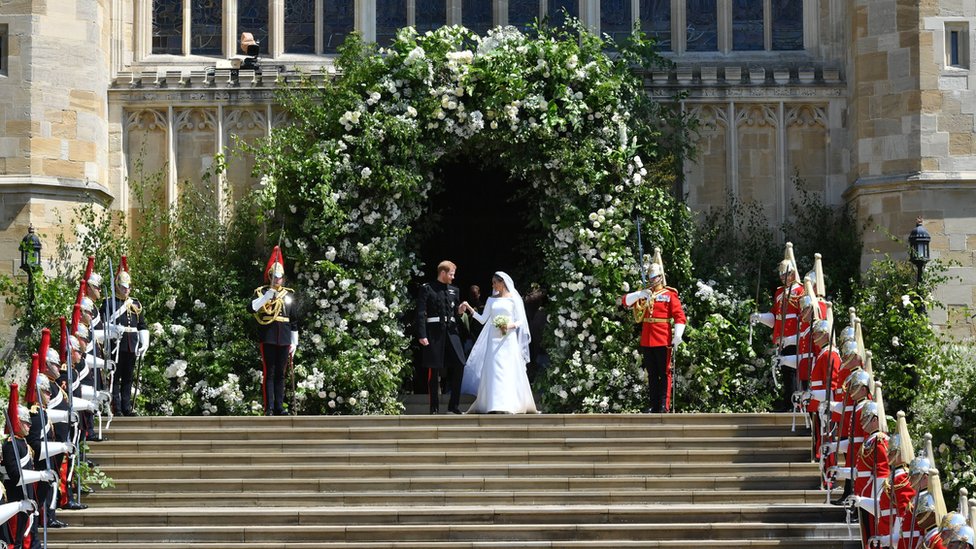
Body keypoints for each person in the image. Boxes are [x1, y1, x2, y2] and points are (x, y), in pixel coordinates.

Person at [460, 272, 538, 414]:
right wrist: (470, 309)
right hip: (493, 338)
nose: (493, 285)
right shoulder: (491, 300)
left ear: (502, 282)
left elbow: (521, 320)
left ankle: (510, 403)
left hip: (508, 338)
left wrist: (509, 326)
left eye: (495, 282)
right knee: (494, 369)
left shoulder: (514, 299)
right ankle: (494, 403)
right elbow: (483, 319)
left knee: (509, 368)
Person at [620, 249, 686, 413]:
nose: (652, 280)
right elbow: (625, 302)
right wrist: (639, 293)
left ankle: (664, 405)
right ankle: (654, 404)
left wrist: (678, 334)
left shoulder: (670, 295)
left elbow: (679, 316)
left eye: (654, 277)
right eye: (650, 277)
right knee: (651, 374)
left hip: (663, 338)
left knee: (664, 373)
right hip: (647, 339)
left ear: (661, 277)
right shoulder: (645, 293)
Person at [751, 242, 805, 412]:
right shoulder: (779, 292)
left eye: (786, 275)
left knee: (794, 370)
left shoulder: (801, 291)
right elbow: (775, 317)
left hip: (795, 336)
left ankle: (795, 403)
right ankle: (789, 402)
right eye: (781, 276)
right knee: (786, 371)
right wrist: (760, 317)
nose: (783, 278)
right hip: (782, 337)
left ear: (793, 273)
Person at [250, 246, 299, 416]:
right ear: (270, 276)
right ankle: (269, 407)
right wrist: (266, 296)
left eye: (280, 277)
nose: (278, 280)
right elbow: (252, 308)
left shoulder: (288, 295)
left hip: (284, 337)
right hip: (269, 335)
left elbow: (293, 320)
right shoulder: (262, 292)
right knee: (269, 371)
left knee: (281, 373)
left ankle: (279, 406)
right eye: (275, 277)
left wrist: (294, 342)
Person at [416, 261, 466, 414]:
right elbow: (420, 313)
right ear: (443, 273)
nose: (453, 277)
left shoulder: (454, 290)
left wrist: (460, 311)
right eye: (451, 274)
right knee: (434, 369)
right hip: (434, 333)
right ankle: (434, 408)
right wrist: (422, 334)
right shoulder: (427, 288)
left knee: (460, 364)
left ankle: (454, 406)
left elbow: (455, 313)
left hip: (451, 332)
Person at [104, 257, 149, 416]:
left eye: (128, 287)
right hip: (117, 343)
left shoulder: (135, 303)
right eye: (123, 287)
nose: (126, 290)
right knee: (116, 377)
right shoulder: (109, 303)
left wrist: (144, 342)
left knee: (128, 378)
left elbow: (141, 325)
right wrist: (114, 329)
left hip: (132, 344)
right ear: (117, 286)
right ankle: (117, 408)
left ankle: (127, 407)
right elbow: (103, 324)